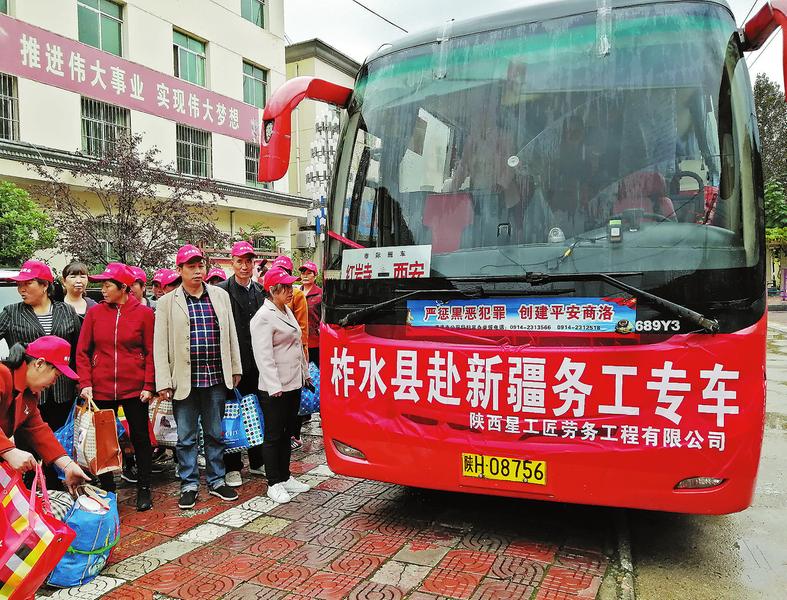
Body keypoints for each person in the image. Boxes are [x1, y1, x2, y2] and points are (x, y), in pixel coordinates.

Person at [153, 244, 242, 510]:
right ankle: (189, 484)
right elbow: (160, 345)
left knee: (215, 433)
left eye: (200, 265)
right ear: (179, 270)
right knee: (186, 437)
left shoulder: (219, 296)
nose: (197, 271)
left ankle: (216, 480)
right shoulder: (167, 302)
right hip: (184, 379)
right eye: (191, 266)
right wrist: (163, 382)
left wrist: (235, 368)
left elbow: (231, 334)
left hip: (215, 377)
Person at [76, 263, 156, 511]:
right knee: (103, 441)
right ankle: (108, 488)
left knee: (140, 437)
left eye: (108, 285)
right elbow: (82, 351)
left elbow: (151, 352)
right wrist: (85, 382)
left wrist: (149, 384)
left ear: (123, 287)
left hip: (135, 388)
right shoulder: (95, 313)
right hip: (100, 388)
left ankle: (144, 487)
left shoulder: (144, 314)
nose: (103, 289)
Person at [0, 261, 82, 455]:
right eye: (19, 284)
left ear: (45, 285)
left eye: (27, 283)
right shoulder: (11, 313)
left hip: (62, 391)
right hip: (25, 391)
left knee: (59, 441)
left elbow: (79, 348)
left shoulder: (66, 311)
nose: (21, 289)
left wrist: (82, 382)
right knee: (28, 446)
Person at [250, 267, 312, 504]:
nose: (290, 291)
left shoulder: (286, 311)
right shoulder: (263, 317)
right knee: (273, 435)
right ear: (273, 290)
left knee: (287, 432)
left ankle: (285, 476)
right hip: (274, 388)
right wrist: (274, 386)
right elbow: (263, 355)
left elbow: (297, 345)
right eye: (285, 287)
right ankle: (273, 482)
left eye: (290, 287)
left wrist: (305, 374)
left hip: (293, 382)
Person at [0, 337, 91, 492]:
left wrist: (67, 465)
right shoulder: (2, 375)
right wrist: (9, 451)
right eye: (56, 376)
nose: (54, 383)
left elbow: (37, 430)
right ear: (39, 363)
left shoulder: (30, 394)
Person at [217, 241, 266, 486]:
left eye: (248, 261)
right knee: (232, 413)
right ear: (232, 263)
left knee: (256, 411)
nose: (244, 266)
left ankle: (257, 461)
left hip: (258, 365)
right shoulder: (220, 291)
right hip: (233, 365)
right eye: (240, 261)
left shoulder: (261, 291)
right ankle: (232, 466)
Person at [270, 256, 309, 450]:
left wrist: (304, 361)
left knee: (294, 404)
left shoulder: (295, 297)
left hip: (294, 357)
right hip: (278, 369)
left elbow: (302, 329)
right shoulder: (267, 311)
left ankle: (294, 434)